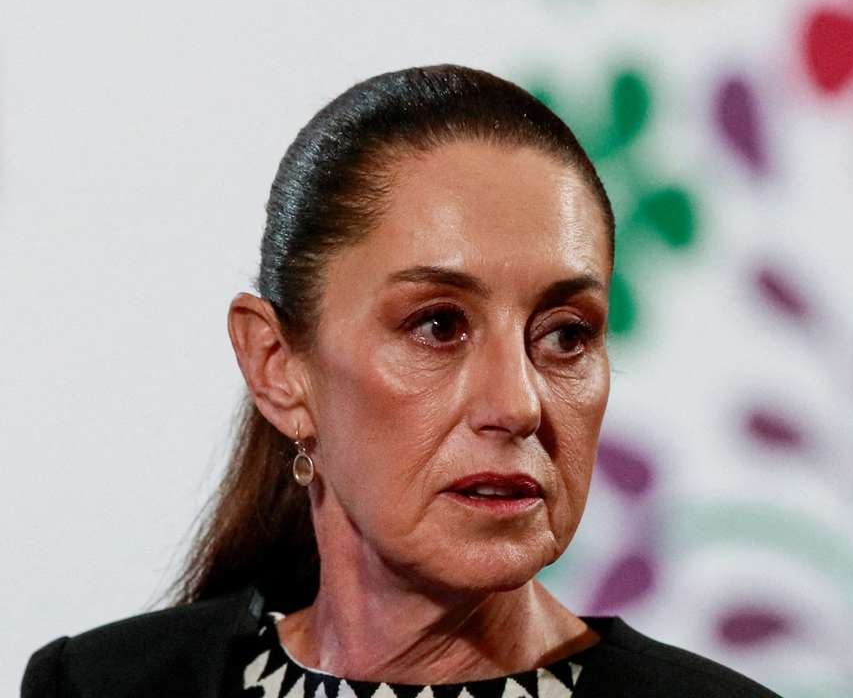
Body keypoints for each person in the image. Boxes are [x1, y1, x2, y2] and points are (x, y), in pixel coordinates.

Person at [20, 65, 779, 698]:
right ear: (278, 368)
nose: (516, 405)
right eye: (438, 326)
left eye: (565, 335)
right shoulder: (98, 687)